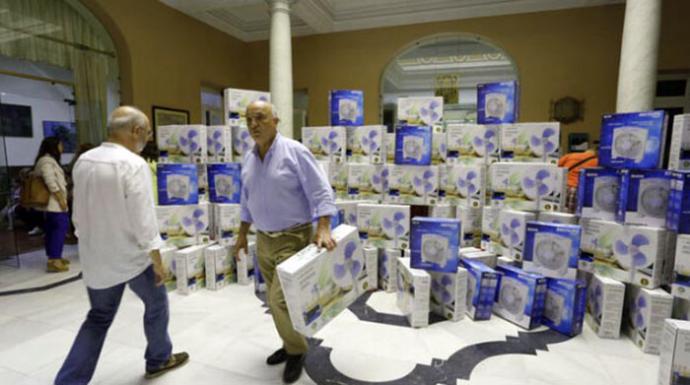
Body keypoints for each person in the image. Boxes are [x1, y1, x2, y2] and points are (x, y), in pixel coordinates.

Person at [55, 106, 189, 384]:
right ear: (136, 131)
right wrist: (157, 259)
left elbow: (77, 213)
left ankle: (68, 381)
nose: (147, 138)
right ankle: (159, 359)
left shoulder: (84, 161)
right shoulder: (132, 164)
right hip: (132, 258)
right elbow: (144, 221)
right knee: (157, 304)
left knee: (98, 317)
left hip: (96, 258)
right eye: (148, 132)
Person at [233, 100, 337, 384]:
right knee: (279, 301)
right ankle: (288, 342)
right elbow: (247, 199)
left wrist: (324, 226)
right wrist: (242, 234)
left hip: (294, 237)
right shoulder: (248, 158)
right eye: (249, 120)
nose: (253, 124)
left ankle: (297, 351)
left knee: (279, 300)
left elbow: (320, 190)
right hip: (263, 240)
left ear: (275, 121)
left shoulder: (295, 152)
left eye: (260, 118)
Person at [34, 137, 70, 272]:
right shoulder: (47, 161)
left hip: (51, 205)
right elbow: (50, 181)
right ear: (54, 146)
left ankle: (54, 257)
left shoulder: (46, 160)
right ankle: (55, 259)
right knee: (59, 230)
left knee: (52, 230)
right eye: (61, 145)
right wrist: (60, 199)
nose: (62, 148)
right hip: (53, 204)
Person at [558, 141, 599, 213]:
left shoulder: (570, 155)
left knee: (560, 210)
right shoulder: (596, 161)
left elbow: (557, 167)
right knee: (571, 213)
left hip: (563, 186)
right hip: (577, 188)